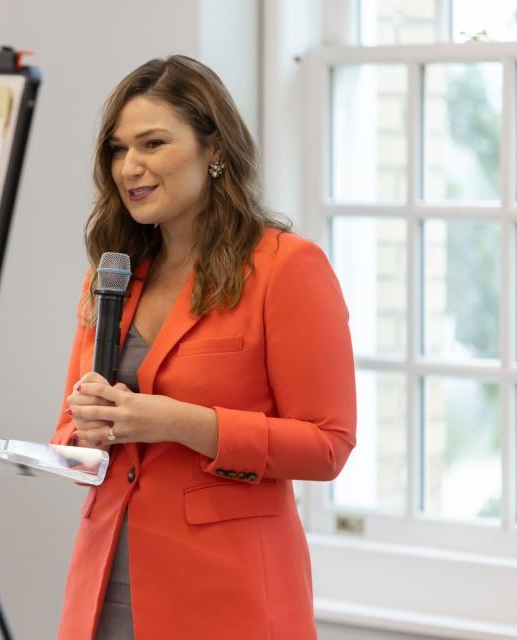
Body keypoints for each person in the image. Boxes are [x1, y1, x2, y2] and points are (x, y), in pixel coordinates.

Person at [51, 55, 356, 640]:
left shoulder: (286, 268)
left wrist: (180, 422)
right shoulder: (111, 275)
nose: (129, 167)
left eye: (153, 143)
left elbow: (327, 445)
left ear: (214, 149)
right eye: (118, 149)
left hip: (227, 596)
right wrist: (81, 436)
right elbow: (68, 437)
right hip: (104, 589)